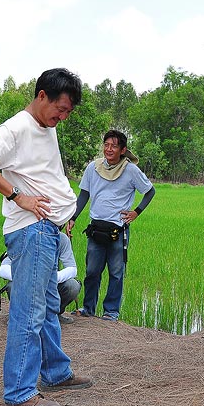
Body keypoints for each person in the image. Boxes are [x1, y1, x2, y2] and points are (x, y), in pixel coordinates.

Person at [0, 68, 92, 406]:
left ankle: (54, 372)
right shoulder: (17, 128)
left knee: (49, 304)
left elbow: (43, 174)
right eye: (60, 109)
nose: (62, 117)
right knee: (30, 310)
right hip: (31, 230)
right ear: (41, 96)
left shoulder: (45, 127)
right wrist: (17, 195)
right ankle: (20, 391)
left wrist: (61, 217)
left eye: (68, 112)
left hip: (48, 229)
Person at [66, 130, 155, 321]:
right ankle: (88, 308)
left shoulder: (130, 170)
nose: (109, 149)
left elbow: (150, 191)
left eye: (114, 146)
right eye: (106, 145)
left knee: (116, 272)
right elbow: (84, 195)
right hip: (96, 228)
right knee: (91, 271)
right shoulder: (93, 167)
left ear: (123, 150)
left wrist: (136, 212)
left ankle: (111, 312)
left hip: (118, 230)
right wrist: (72, 217)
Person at [0, 232, 81, 324]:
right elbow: (3, 269)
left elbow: (72, 269)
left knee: (73, 285)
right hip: (26, 283)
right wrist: (28, 278)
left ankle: (54, 314)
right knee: (12, 286)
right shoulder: (22, 236)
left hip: (50, 283)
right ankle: (20, 316)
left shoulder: (61, 238)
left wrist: (52, 278)